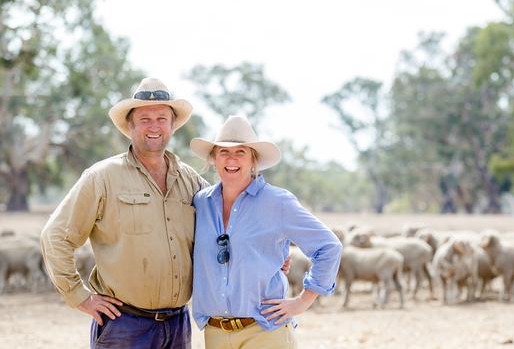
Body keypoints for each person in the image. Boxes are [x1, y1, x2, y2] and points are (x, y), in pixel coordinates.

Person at [40, 77, 210, 348]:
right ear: (130, 125)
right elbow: (55, 236)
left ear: (172, 125)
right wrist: (78, 295)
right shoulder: (102, 177)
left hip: (178, 325)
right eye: (144, 119)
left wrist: (274, 253)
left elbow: (229, 225)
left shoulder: (191, 181)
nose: (154, 126)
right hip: (124, 326)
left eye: (161, 118)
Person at [190, 115, 343, 349]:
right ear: (213, 158)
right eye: (223, 152)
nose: (231, 159)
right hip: (215, 333)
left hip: (264, 332)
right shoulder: (201, 203)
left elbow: (329, 246)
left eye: (240, 152)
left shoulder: (277, 202)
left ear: (254, 160)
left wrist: (303, 301)